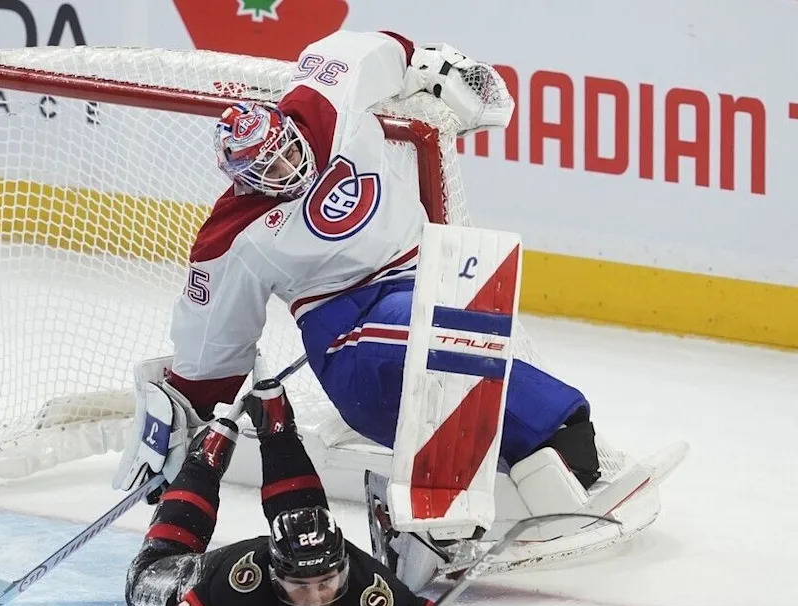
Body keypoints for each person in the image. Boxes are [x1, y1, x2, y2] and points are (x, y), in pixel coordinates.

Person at [160, 29, 601, 501]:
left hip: (416, 274)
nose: (288, 168)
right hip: (337, 325)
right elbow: (211, 342)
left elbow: (369, 48)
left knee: (428, 334)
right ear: (243, 179)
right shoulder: (234, 235)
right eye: (269, 169)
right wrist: (187, 417)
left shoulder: (324, 106)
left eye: (288, 151)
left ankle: (559, 434)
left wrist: (428, 64)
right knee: (383, 387)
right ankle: (500, 459)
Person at [127, 378, 484, 606]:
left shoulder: (374, 593)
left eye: (326, 581)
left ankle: (278, 429)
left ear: (344, 568)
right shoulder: (236, 591)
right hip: (209, 571)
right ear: (274, 576)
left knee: (304, 520)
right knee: (146, 576)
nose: (315, 599)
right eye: (299, 585)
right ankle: (202, 462)